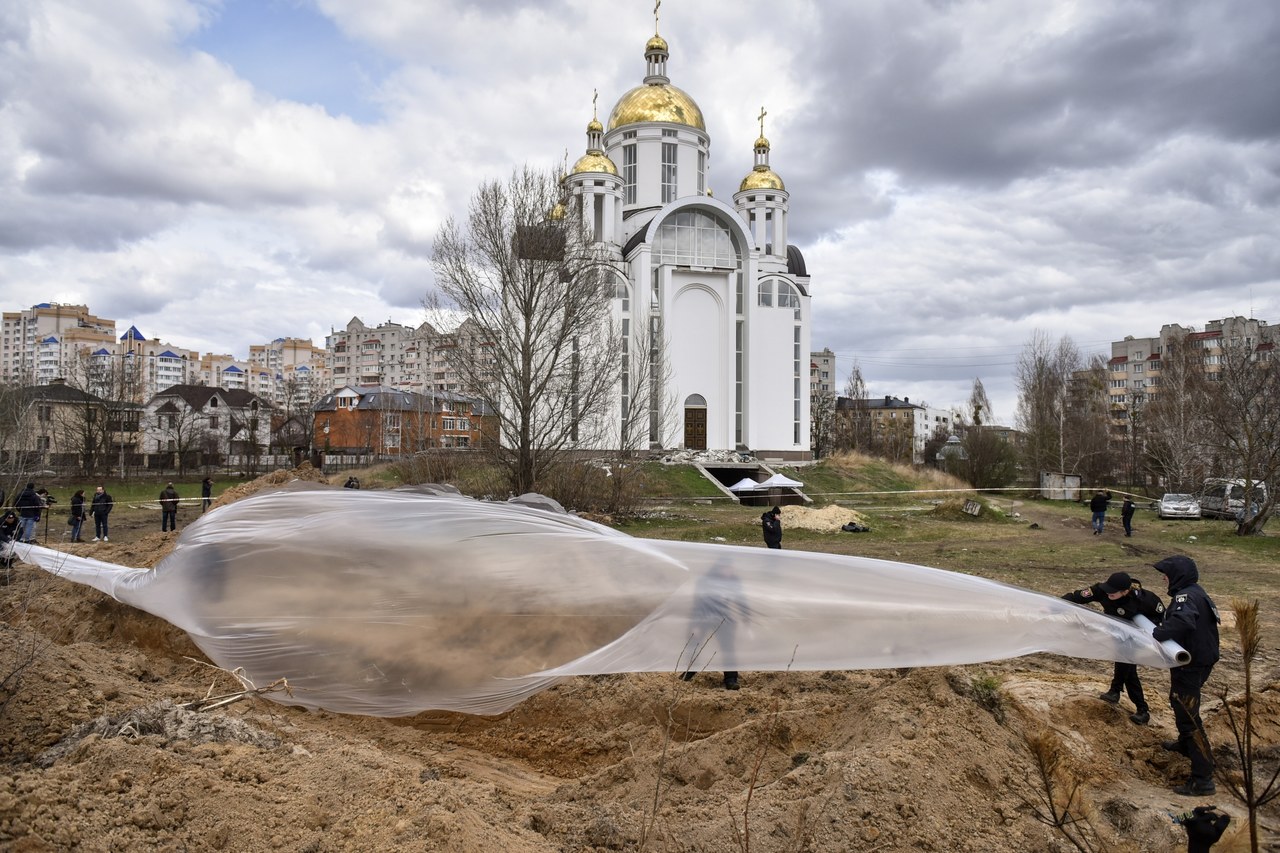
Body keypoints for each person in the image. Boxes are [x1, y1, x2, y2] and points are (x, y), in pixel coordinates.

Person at [1152, 555, 1220, 796]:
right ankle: (1184, 745)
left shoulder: (1186, 597)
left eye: (1167, 574)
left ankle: (1203, 779)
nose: (1163, 578)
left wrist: (1159, 633)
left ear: (1177, 576)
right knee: (1178, 702)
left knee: (1188, 718)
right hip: (1198, 661)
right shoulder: (1195, 591)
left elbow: (1183, 620)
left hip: (1192, 665)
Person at [1061, 571, 1164, 725]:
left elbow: (1161, 617)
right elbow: (1077, 597)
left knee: (1128, 667)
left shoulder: (1145, 599)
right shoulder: (1102, 590)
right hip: (1116, 633)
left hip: (1135, 637)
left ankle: (1141, 709)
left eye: (1113, 592)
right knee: (1122, 662)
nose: (1109, 593)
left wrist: (1145, 632)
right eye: (1108, 589)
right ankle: (1115, 692)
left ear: (1125, 591)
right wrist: (1054, 605)